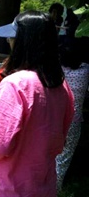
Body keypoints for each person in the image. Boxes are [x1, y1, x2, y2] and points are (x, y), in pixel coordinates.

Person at [0, 11, 74, 197]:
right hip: (41, 186)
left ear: (22, 42)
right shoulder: (60, 85)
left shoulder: (15, 83)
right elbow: (55, 138)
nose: (9, 41)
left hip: (6, 187)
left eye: (11, 37)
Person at [56, 42, 89, 191]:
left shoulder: (57, 71)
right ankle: (55, 188)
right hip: (74, 121)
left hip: (55, 118)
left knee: (50, 152)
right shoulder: (86, 70)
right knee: (64, 156)